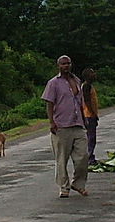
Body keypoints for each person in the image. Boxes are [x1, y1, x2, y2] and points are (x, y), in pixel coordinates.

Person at [41, 55, 89, 198]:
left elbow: (79, 102)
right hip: (61, 126)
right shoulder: (53, 83)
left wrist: (84, 119)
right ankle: (64, 187)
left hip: (77, 124)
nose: (66, 66)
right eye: (63, 64)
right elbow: (49, 104)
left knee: (83, 157)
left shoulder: (76, 80)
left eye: (68, 63)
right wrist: (51, 122)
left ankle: (78, 184)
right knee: (61, 159)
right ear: (58, 66)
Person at [81, 68, 99, 165]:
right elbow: (87, 101)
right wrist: (93, 114)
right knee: (91, 137)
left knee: (91, 137)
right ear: (88, 75)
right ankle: (89, 158)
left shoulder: (89, 86)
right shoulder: (86, 86)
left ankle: (90, 156)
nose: (94, 75)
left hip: (89, 115)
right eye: (92, 73)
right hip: (88, 115)